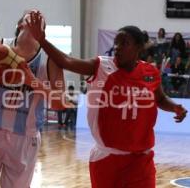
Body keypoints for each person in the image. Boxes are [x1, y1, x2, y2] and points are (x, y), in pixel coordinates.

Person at [26, 12, 187, 188]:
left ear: (139, 48)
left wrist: (174, 107)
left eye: (124, 43)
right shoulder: (101, 66)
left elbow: (161, 98)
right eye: (116, 42)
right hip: (107, 159)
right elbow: (65, 61)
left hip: (141, 159)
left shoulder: (150, 72)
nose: (117, 47)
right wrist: (42, 40)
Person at [0, 9, 64, 188]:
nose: (36, 15)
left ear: (43, 31)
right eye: (30, 15)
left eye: (40, 18)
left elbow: (60, 103)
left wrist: (31, 81)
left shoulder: (50, 59)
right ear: (19, 24)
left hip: (25, 136)